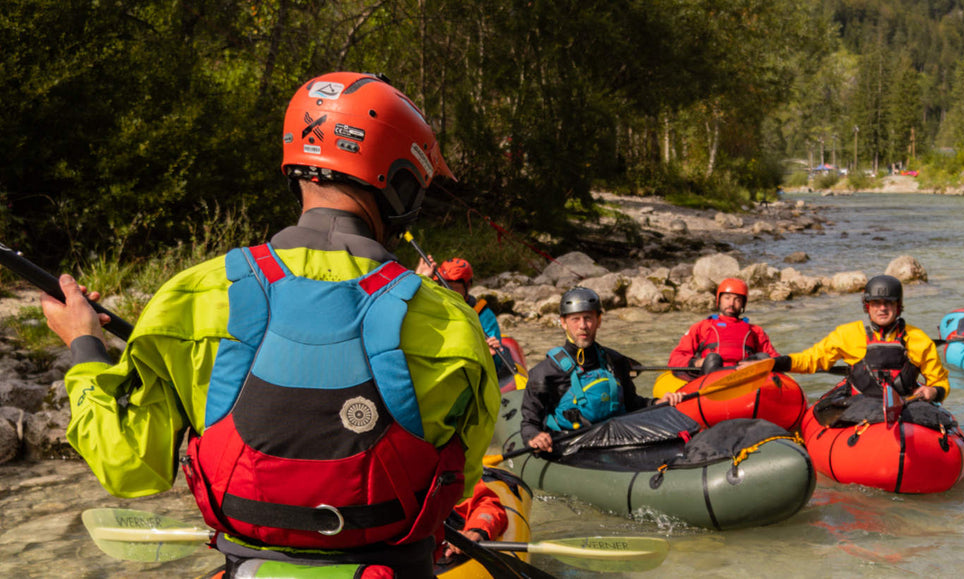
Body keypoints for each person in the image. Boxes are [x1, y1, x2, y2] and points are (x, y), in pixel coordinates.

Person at [42, 72, 498, 576]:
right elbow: (462, 474)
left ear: (296, 169)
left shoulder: (189, 297)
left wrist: (84, 344)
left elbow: (128, 467)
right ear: (400, 184)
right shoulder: (452, 323)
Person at [520, 287, 684, 453]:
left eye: (588, 318)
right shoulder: (544, 373)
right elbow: (530, 423)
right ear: (563, 322)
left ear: (599, 320)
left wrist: (657, 403)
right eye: (575, 319)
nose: (583, 326)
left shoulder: (615, 360)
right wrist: (534, 436)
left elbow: (631, 403)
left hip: (617, 441)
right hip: (572, 448)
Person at [772, 275, 949, 402]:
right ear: (867, 306)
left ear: (898, 306)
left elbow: (940, 381)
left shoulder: (919, 339)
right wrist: (776, 363)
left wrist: (933, 391)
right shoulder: (847, 334)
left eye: (888, 303)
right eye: (876, 303)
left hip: (906, 404)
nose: (882, 308)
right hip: (860, 405)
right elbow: (811, 360)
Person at [419, 256, 514, 377]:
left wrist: (490, 356)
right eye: (445, 287)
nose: (449, 293)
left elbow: (497, 364)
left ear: (468, 286)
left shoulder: (482, 314)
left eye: (454, 289)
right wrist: (419, 278)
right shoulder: (433, 309)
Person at [666, 277, 780, 376]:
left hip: (746, 375)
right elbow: (676, 357)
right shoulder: (702, 327)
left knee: (764, 357)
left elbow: (775, 358)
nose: (731, 303)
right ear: (719, 300)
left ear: (743, 304)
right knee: (712, 359)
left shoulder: (755, 331)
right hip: (711, 375)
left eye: (737, 300)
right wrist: (696, 363)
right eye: (727, 298)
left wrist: (761, 364)